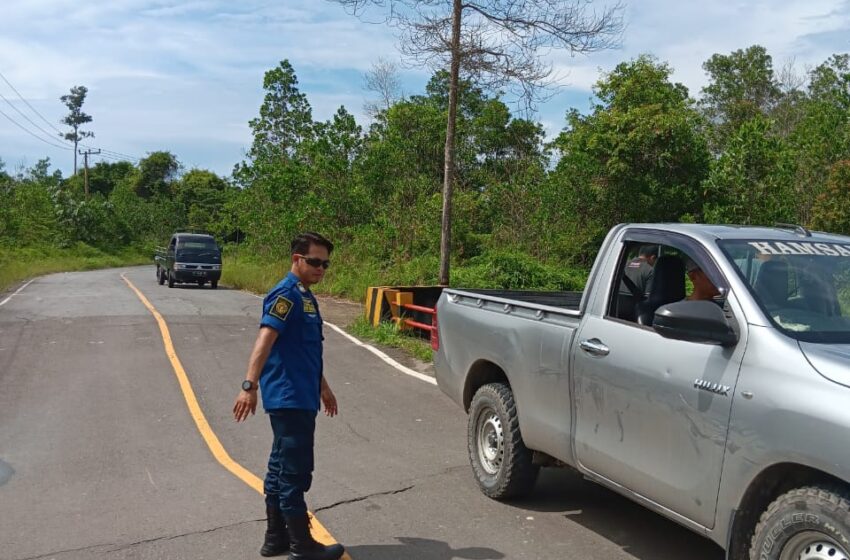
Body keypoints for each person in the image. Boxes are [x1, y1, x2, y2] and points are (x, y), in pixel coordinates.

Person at [233, 232, 345, 560]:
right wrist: (249, 386)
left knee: (280, 467)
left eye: (325, 263)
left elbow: (305, 350)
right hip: (289, 397)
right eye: (314, 262)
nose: (321, 268)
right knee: (296, 471)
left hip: (303, 394)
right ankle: (302, 546)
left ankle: (275, 538)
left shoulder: (306, 297)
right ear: (297, 259)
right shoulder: (286, 295)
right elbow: (265, 339)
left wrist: (323, 386)